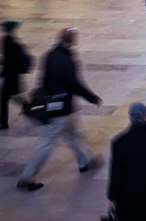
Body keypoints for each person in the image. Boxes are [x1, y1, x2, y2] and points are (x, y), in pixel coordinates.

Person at [17, 28, 102, 191]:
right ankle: (26, 177)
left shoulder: (50, 54)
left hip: (58, 106)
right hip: (61, 109)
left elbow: (43, 79)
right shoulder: (67, 60)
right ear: (71, 41)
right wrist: (92, 97)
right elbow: (74, 84)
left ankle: (84, 161)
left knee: (74, 135)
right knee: (47, 142)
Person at [1, 21, 32, 130]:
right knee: (12, 96)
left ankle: (3, 123)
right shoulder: (10, 42)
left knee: (4, 99)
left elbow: (10, 62)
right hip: (13, 76)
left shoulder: (10, 43)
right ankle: (28, 106)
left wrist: (3, 73)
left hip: (10, 76)